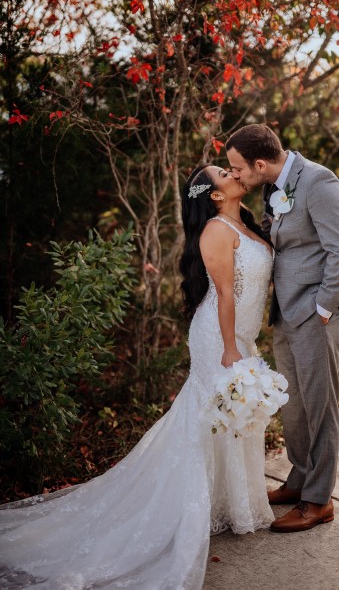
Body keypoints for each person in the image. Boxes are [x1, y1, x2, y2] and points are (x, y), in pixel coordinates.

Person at [0, 165, 275, 589]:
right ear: (215, 195)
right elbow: (223, 293)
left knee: (228, 418)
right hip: (219, 337)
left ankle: (232, 503)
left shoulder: (248, 226)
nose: (234, 172)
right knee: (211, 416)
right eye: (224, 173)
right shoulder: (216, 231)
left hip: (240, 335)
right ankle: (185, 506)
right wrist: (229, 348)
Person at [226, 124, 339, 533]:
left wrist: (322, 308)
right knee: (294, 402)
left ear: (260, 164)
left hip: (318, 311)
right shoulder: (273, 185)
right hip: (286, 310)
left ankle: (319, 500)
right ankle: (300, 478)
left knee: (319, 404)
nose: (235, 175)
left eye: (238, 168)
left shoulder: (319, 182)